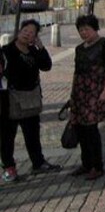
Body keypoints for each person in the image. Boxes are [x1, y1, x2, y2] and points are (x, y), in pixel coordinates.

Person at [1, 19, 62, 182]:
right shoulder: (6, 51)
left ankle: (38, 162)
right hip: (10, 100)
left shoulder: (34, 51)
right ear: (19, 32)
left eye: (31, 33)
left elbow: (46, 66)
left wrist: (40, 47)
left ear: (35, 37)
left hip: (30, 98)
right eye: (25, 30)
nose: (27, 34)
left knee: (32, 133)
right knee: (7, 136)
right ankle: (9, 167)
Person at [69, 14, 105, 181]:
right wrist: (73, 95)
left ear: (95, 28)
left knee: (91, 130)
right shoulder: (79, 49)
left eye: (87, 29)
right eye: (81, 30)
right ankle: (86, 163)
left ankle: (97, 166)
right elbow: (77, 72)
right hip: (80, 92)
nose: (84, 33)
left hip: (95, 91)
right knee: (80, 129)